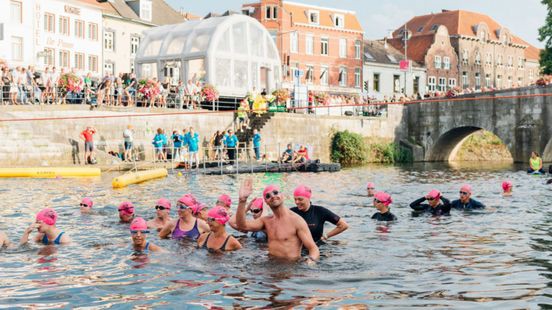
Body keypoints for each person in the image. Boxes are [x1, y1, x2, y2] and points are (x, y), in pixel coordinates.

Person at [236, 179, 320, 263]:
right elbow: (242, 226)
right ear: (266, 202)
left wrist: (310, 261)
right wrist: (242, 200)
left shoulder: (297, 221)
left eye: (275, 192)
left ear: (282, 195)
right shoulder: (266, 221)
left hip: (290, 269)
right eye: (268, 196)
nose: (272, 196)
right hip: (270, 266)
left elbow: (313, 249)